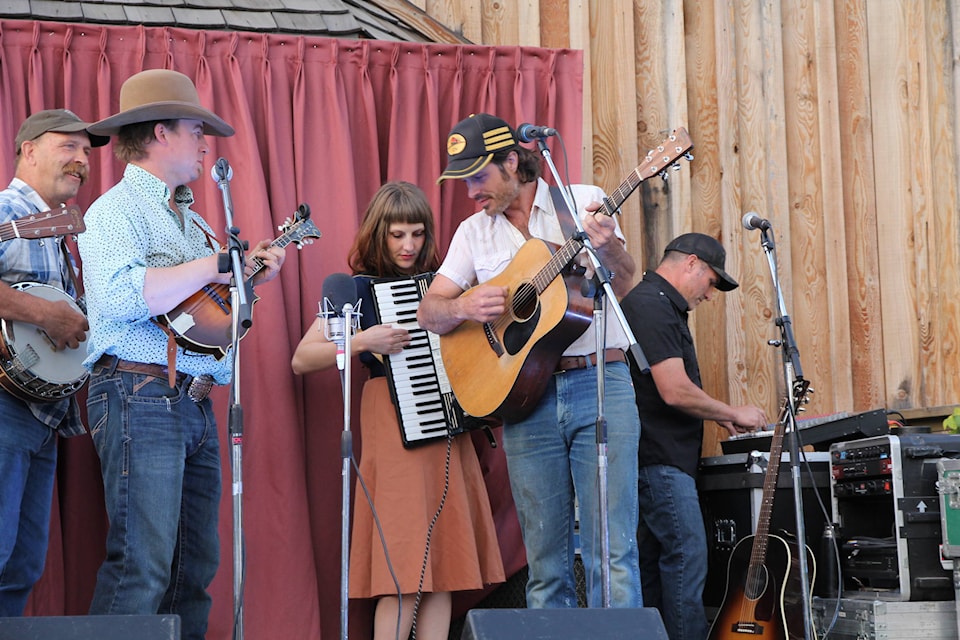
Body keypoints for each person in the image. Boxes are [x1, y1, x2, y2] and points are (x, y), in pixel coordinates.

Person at [76, 69, 286, 639]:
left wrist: (247, 282)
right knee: (141, 564)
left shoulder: (193, 220)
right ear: (160, 133)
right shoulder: (114, 211)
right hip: (138, 391)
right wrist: (220, 265)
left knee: (193, 570)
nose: (204, 142)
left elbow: (201, 316)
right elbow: (119, 297)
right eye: (196, 129)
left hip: (189, 400)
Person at [417, 113, 642, 608]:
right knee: (545, 566)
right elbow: (429, 311)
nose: (471, 191)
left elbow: (625, 283)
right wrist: (462, 307)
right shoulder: (473, 233)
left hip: (599, 382)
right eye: (463, 179)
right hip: (525, 400)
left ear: (513, 161)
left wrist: (610, 252)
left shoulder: (581, 202)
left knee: (613, 554)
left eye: (478, 176)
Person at [292, 181, 504, 640]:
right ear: (377, 234)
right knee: (401, 570)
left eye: (417, 234)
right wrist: (362, 340)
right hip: (391, 424)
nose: (409, 246)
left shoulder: (446, 285)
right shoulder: (353, 289)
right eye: (397, 235)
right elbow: (303, 358)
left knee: (445, 568)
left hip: (449, 427)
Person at [619, 232, 768, 640]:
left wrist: (719, 417)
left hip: (656, 460)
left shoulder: (658, 305)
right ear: (690, 263)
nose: (711, 293)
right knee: (687, 557)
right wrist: (730, 411)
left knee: (655, 566)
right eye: (711, 281)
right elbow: (673, 389)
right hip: (659, 461)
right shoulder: (651, 306)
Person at [0, 109, 108, 615]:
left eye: (86, 152)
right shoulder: (5, 210)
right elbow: (47, 317)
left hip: (41, 415)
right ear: (29, 150)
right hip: (3, 410)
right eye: (69, 147)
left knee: (20, 566)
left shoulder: (58, 230)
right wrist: (46, 314)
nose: (82, 160)